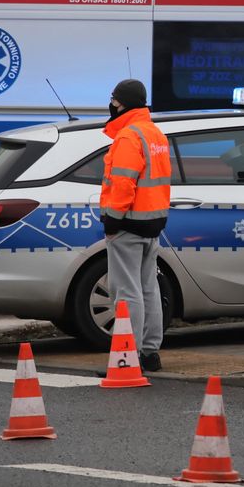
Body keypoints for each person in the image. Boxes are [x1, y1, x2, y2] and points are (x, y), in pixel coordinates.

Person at [99, 78, 172, 372]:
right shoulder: (155, 133)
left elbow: (123, 182)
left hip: (128, 224)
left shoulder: (129, 136)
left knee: (126, 292)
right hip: (152, 223)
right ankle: (150, 353)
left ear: (122, 103)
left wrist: (113, 219)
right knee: (148, 288)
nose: (111, 105)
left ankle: (129, 356)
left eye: (114, 100)